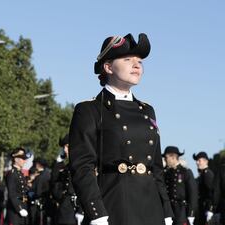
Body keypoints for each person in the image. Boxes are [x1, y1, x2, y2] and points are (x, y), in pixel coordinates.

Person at [68, 33, 174, 225]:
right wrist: (96, 214)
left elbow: (156, 168)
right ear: (108, 67)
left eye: (140, 62)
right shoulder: (89, 109)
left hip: (151, 208)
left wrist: (166, 212)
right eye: (127, 59)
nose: (137, 66)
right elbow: (82, 167)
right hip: (113, 206)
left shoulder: (148, 109)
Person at [51, 134, 83, 225]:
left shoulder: (84, 165)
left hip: (78, 207)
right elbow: (54, 182)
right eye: (64, 147)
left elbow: (89, 189)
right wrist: (58, 162)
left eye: (67, 146)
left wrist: (81, 211)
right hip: (66, 208)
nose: (65, 150)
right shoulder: (68, 167)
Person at [162, 146, 198, 225]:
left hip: (181, 211)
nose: (164, 159)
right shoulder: (166, 173)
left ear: (173, 157)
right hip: (169, 211)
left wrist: (191, 214)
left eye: (166, 157)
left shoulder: (185, 172)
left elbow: (193, 194)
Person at [5, 147, 30, 225]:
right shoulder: (12, 173)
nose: (24, 161)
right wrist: (19, 208)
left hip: (23, 206)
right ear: (15, 159)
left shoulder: (20, 174)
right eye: (22, 158)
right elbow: (12, 194)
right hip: (15, 210)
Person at [193, 151, 214, 225]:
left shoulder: (207, 174)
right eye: (196, 161)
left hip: (206, 208)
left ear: (206, 161)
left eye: (199, 160)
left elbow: (212, 192)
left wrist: (210, 209)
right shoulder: (202, 174)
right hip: (201, 208)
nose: (197, 162)